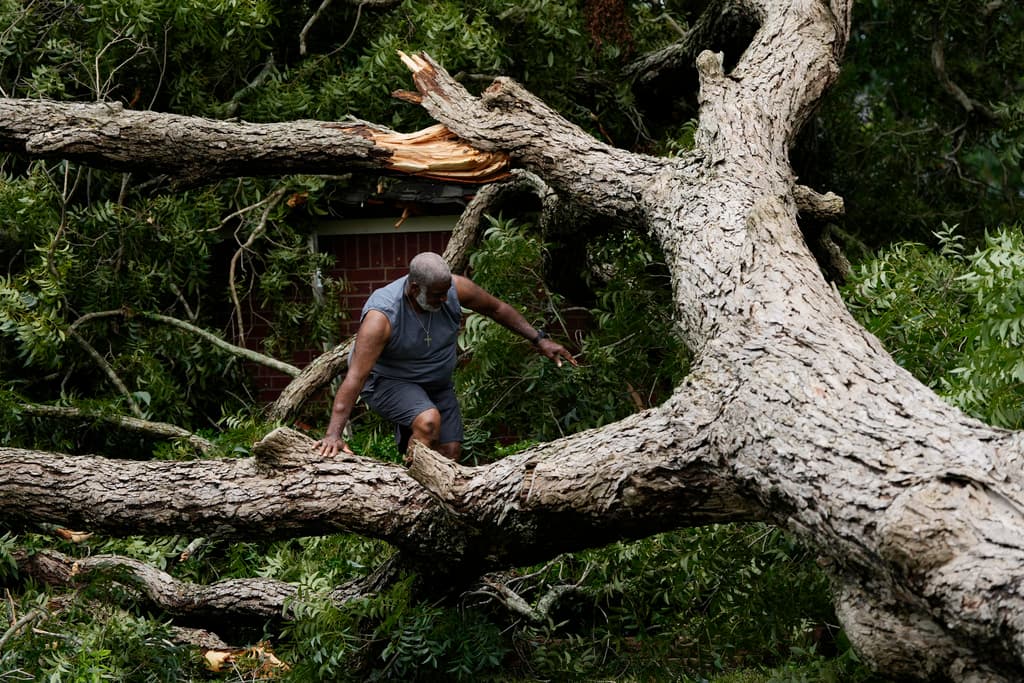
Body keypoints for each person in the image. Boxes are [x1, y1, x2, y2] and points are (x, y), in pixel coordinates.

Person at [314, 251, 576, 462]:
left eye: (446, 291)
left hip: (436, 383)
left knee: (450, 453)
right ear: (415, 289)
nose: (445, 298)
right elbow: (355, 377)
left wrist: (539, 339)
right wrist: (333, 434)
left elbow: (497, 308)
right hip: (387, 382)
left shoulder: (454, 289)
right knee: (428, 422)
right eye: (437, 294)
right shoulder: (382, 317)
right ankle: (407, 493)